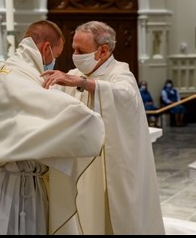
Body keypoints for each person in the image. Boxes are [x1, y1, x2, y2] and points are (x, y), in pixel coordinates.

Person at [0, 20, 106, 235]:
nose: (52, 62)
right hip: (22, 188)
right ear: (46, 48)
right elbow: (86, 122)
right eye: (54, 55)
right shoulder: (27, 81)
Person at [41, 21, 165, 234]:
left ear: (104, 51)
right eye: (74, 48)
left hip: (108, 166)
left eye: (81, 50)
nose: (75, 54)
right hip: (79, 163)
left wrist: (81, 83)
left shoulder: (120, 72)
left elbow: (124, 95)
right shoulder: (72, 73)